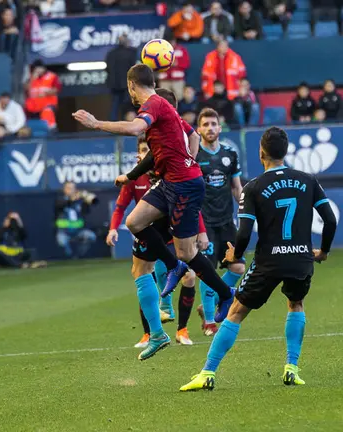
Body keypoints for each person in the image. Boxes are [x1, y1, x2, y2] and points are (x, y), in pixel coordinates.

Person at [73, 64, 235, 360]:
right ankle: (171, 267)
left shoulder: (153, 105)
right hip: (170, 183)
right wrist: (182, 159)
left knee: (188, 253)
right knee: (134, 222)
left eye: (129, 88)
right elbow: (193, 135)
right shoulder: (166, 107)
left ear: (132, 85)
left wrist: (97, 124)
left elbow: (136, 128)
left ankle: (225, 293)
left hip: (185, 186)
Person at [180, 127, 337, 391]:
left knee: (236, 312)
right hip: (300, 259)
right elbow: (330, 219)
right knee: (295, 304)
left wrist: (235, 256)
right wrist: (323, 251)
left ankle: (207, 373)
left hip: (268, 262)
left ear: (261, 152)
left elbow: (243, 232)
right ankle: (291, 368)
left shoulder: (254, 187)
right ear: (285, 152)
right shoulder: (308, 180)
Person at [108, 133, 201, 351]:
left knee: (188, 276)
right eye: (142, 151)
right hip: (149, 231)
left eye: (148, 151)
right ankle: (150, 332)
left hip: (173, 228)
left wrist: (201, 231)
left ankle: (181, 329)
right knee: (142, 271)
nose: (145, 155)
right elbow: (121, 206)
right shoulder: (135, 179)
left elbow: (191, 204)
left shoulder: (170, 171)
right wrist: (113, 228)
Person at [194, 108, 245, 337]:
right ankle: (208, 321)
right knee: (207, 271)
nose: (210, 128)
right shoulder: (195, 156)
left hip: (226, 222)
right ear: (199, 129)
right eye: (205, 125)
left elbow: (236, 187)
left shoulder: (230, 154)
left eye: (213, 124)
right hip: (205, 224)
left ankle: (212, 299)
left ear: (220, 127)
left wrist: (246, 211)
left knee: (238, 267)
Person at [55, 182, 97, 259]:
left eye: (73, 188)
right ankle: (69, 257)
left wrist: (86, 200)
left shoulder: (79, 202)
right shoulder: (60, 199)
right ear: (64, 190)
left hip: (78, 231)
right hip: (64, 231)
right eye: (69, 188)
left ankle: (79, 256)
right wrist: (74, 198)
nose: (71, 190)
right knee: (62, 242)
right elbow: (62, 205)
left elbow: (87, 210)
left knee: (91, 236)